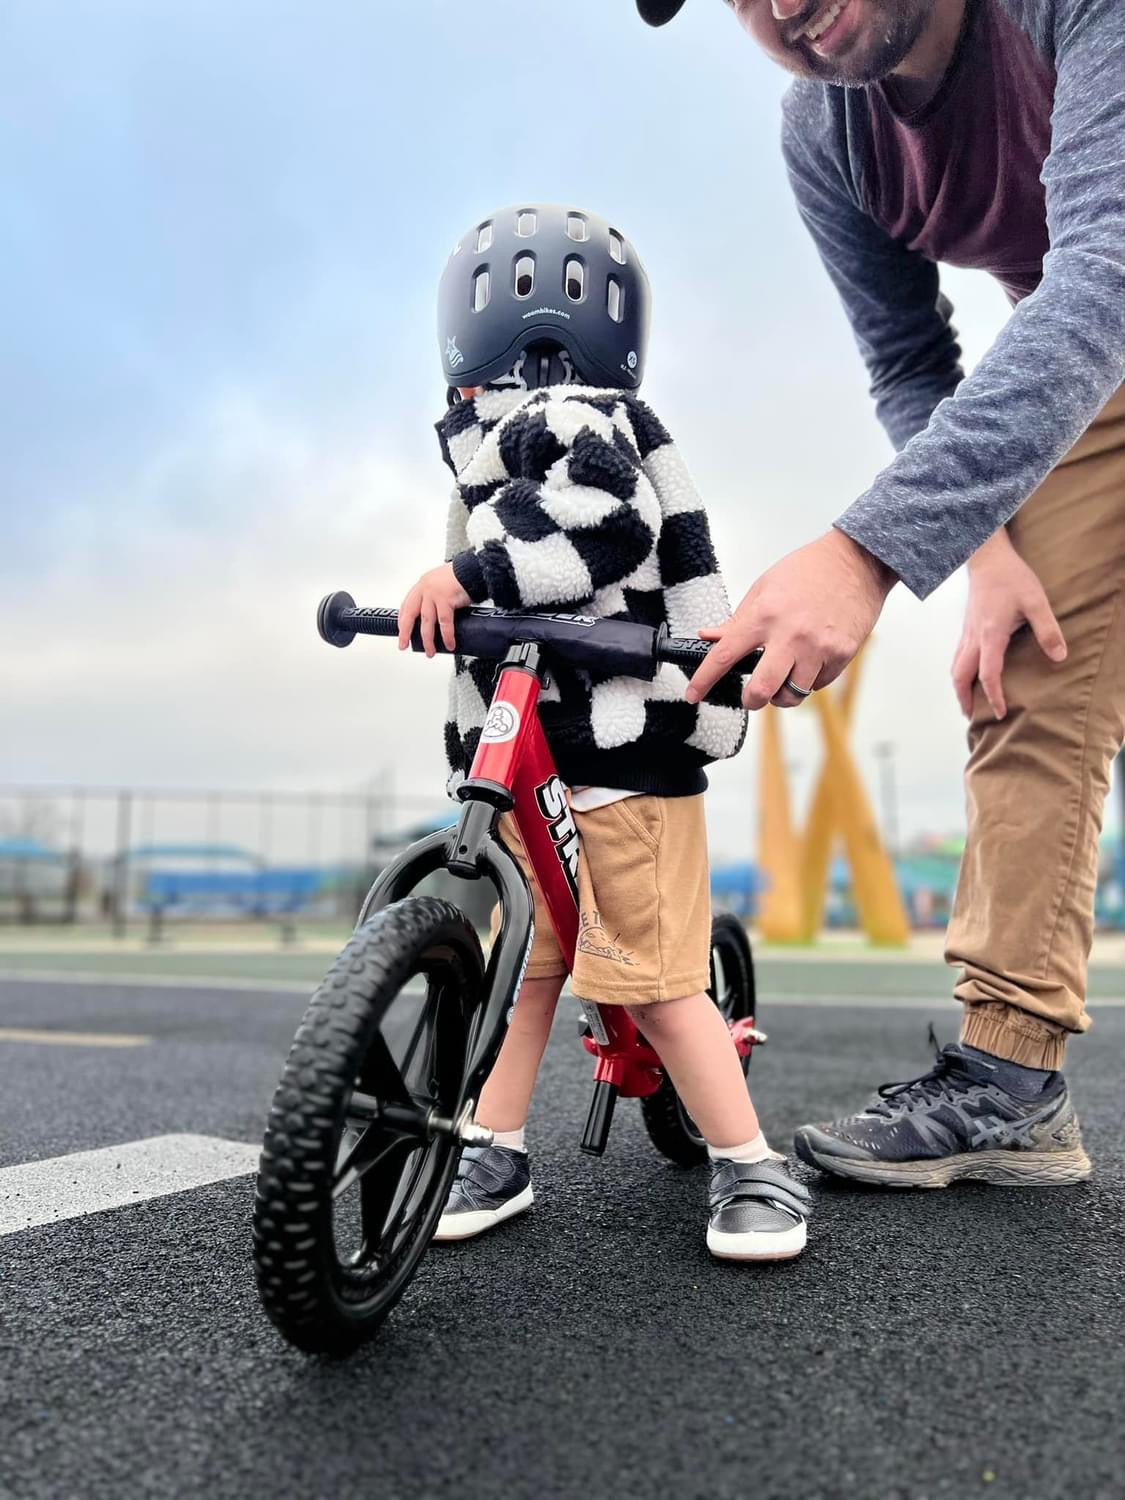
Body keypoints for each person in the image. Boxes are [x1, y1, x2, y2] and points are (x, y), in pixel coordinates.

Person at [638, 0, 1125, 1186]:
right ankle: (1010, 1082)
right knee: (1023, 674)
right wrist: (983, 544)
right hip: (1087, 374)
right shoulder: (827, 134)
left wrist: (865, 554)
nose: (776, 6)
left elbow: (1106, 273)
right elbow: (910, 361)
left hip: (1098, 311)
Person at [396, 202, 812, 1259]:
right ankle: (495, 1145)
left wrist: (467, 576)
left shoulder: (576, 417)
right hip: (545, 765)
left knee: (664, 988)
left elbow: (600, 528)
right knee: (528, 971)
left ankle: (751, 1163)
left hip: (626, 756)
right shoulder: (490, 449)